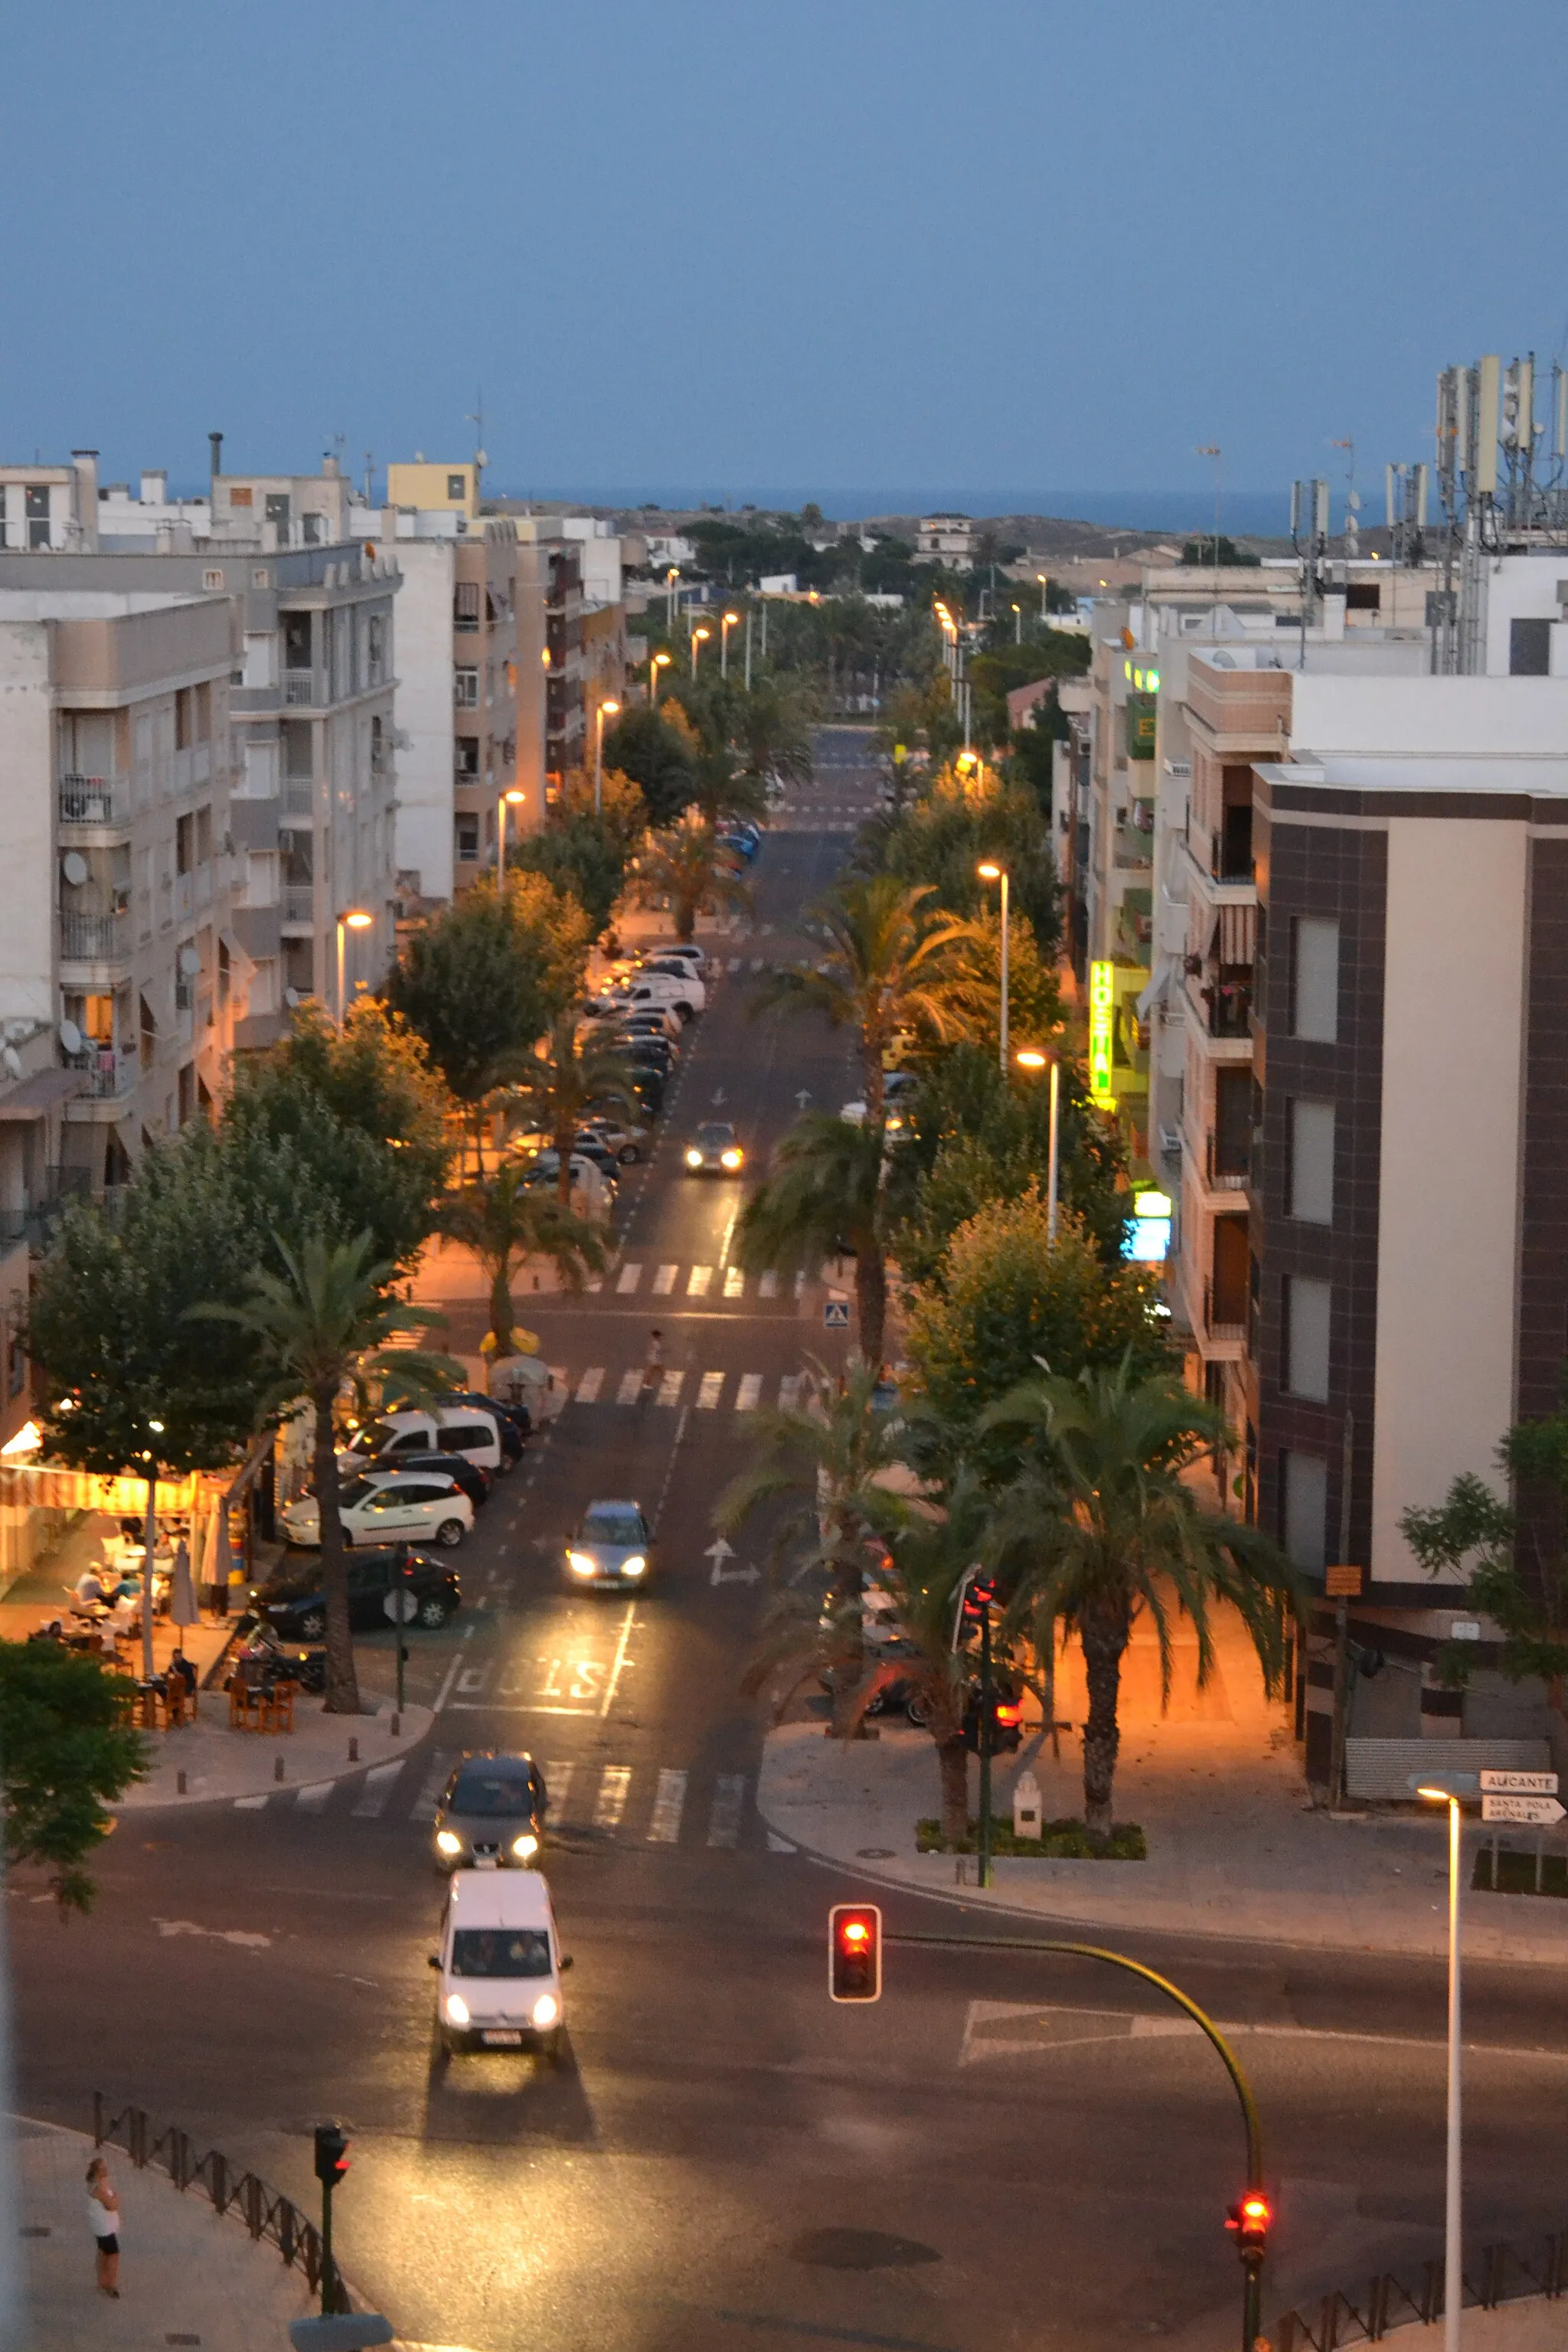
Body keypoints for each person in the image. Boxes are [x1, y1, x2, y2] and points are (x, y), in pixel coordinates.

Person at [86, 2155, 119, 2297]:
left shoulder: (100, 2182)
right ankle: (110, 2285)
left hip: (103, 2225)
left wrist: (114, 2199)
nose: (106, 2170)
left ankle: (102, 2281)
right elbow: (112, 2205)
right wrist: (116, 2198)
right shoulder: (96, 2188)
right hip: (103, 2228)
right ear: (96, 2171)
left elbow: (111, 2201)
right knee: (113, 2255)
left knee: (103, 2252)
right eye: (103, 2168)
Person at [640, 1328, 665, 1401]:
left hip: (653, 1358)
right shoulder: (655, 1343)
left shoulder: (654, 1342)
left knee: (655, 1370)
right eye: (660, 1336)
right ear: (657, 1336)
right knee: (654, 1370)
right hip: (653, 1358)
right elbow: (658, 1350)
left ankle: (648, 1382)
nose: (661, 1337)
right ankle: (647, 1383)